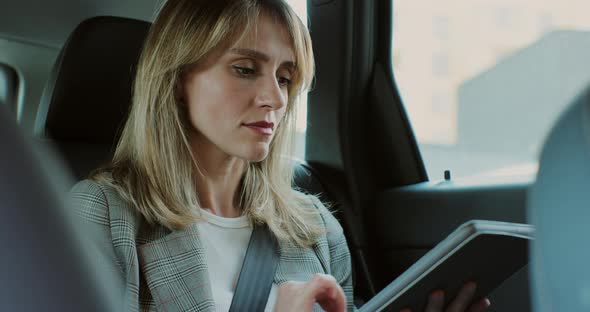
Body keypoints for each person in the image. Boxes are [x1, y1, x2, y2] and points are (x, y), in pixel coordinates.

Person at [70, 0, 490, 311]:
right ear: (178, 78)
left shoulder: (316, 226)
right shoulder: (100, 215)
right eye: (245, 69)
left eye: (285, 78)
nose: (274, 98)